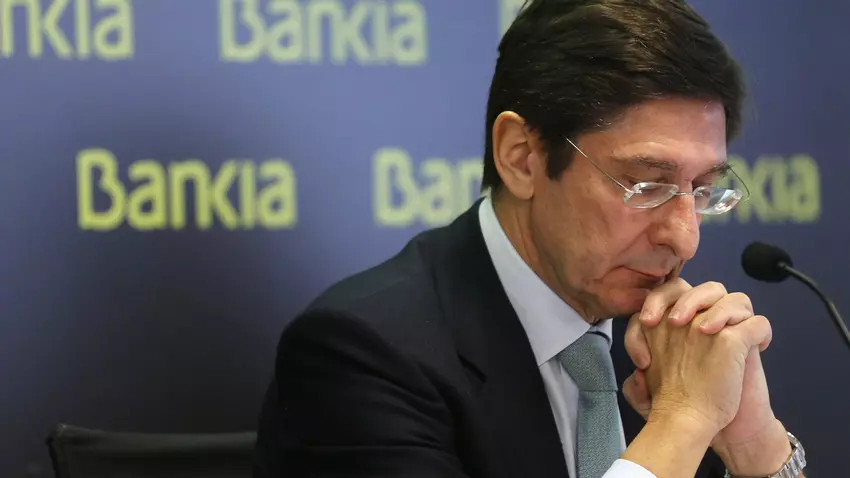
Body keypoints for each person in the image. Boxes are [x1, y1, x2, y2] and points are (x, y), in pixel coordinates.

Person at [253, 1, 807, 477]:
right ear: (521, 157)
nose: (685, 240)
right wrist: (682, 422)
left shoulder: (672, 342)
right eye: (646, 185)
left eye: (703, 190)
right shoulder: (361, 356)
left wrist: (754, 447)